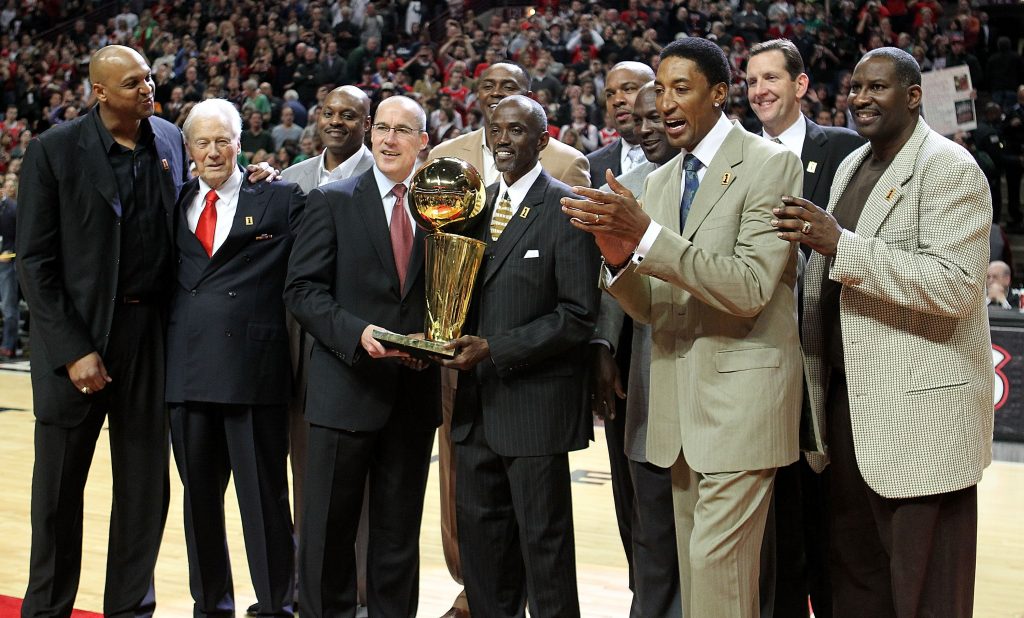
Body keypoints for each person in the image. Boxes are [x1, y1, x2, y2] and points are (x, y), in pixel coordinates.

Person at [561, 37, 803, 618]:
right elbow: (657, 306)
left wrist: (645, 236)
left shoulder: (771, 164)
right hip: (677, 411)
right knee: (701, 581)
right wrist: (618, 257)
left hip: (741, 406)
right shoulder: (661, 181)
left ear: (719, 94)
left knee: (717, 574)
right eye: (661, 89)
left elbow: (747, 287)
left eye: (681, 89)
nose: (665, 103)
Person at [772, 47, 993, 618]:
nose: (861, 99)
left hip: (920, 418)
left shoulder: (949, 167)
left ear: (913, 96)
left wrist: (840, 244)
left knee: (927, 592)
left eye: (877, 88)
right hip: (848, 409)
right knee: (854, 581)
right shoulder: (852, 165)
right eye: (855, 88)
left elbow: (952, 287)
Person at [16, 44, 189, 617]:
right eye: (134, 81)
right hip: (79, 344)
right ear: (100, 92)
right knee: (58, 495)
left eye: (149, 78)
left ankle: (130, 610)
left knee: (144, 492)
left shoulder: (169, 139)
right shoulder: (52, 150)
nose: (149, 88)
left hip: (150, 335)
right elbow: (34, 264)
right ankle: (46, 609)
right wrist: (73, 351)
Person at [424, 60, 589, 618]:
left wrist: (498, 348)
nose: (502, 140)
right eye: (495, 130)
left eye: (516, 130)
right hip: (474, 413)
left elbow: (576, 316)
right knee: (484, 552)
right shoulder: (469, 210)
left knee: (545, 553)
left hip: (534, 409)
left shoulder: (567, 208)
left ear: (543, 140)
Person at [284, 95, 440, 618]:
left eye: (403, 131)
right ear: (372, 136)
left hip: (412, 396)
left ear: (424, 142)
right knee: (328, 535)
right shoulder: (333, 200)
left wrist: (435, 342)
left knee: (397, 540)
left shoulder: (442, 209)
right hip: (343, 389)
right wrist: (358, 333)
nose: (389, 139)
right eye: (383, 129)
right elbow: (302, 290)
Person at [166, 98, 305, 617]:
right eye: (202, 141)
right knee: (199, 504)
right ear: (188, 149)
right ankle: (211, 605)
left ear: (240, 144)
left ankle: (276, 606)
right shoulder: (173, 201)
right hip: (187, 372)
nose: (213, 151)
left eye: (223, 140)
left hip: (254, 373)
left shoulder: (281, 198)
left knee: (265, 502)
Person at [745, 38, 864, 618]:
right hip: (761, 361)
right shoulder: (738, 160)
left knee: (836, 530)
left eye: (771, 78)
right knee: (778, 535)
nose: (760, 90)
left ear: (800, 85)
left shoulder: (844, 150)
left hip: (834, 363)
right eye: (751, 81)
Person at [278, 84, 375, 616]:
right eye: (328, 112)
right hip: (300, 351)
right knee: (306, 477)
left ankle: (357, 589)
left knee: (358, 485)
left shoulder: (382, 177)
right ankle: (303, 585)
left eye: (349, 114)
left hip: (357, 346)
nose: (336, 121)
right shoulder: (292, 180)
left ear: (367, 122)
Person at [591, 81, 682, 618]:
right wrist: (602, 348)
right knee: (646, 516)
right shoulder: (622, 185)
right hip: (640, 362)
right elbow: (606, 279)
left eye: (658, 118)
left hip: (704, 361)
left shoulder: (716, 179)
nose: (646, 128)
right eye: (639, 119)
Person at [584, 60, 656, 604]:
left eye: (630, 89)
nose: (620, 101)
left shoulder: (682, 159)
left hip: (668, 332)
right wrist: (600, 345)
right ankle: (643, 589)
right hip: (618, 343)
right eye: (611, 94)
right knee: (626, 478)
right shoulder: (593, 165)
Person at [0, 179, 16, 359]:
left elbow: (23, 235)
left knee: (9, 308)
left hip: (7, 263)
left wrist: (12, 251)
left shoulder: (12, 209)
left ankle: (8, 345)